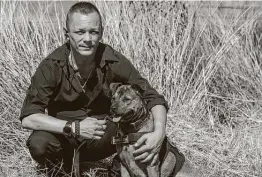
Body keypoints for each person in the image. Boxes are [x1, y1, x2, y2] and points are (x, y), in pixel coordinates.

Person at [20, 1, 168, 176]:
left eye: (94, 32)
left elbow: (153, 97)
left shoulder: (114, 60)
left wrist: (159, 132)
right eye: (80, 32)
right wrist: (74, 127)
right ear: (67, 34)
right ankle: (61, 168)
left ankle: (122, 163)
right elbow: (29, 117)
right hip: (64, 137)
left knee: (131, 122)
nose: (88, 39)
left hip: (103, 138)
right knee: (39, 143)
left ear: (101, 33)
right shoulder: (51, 66)